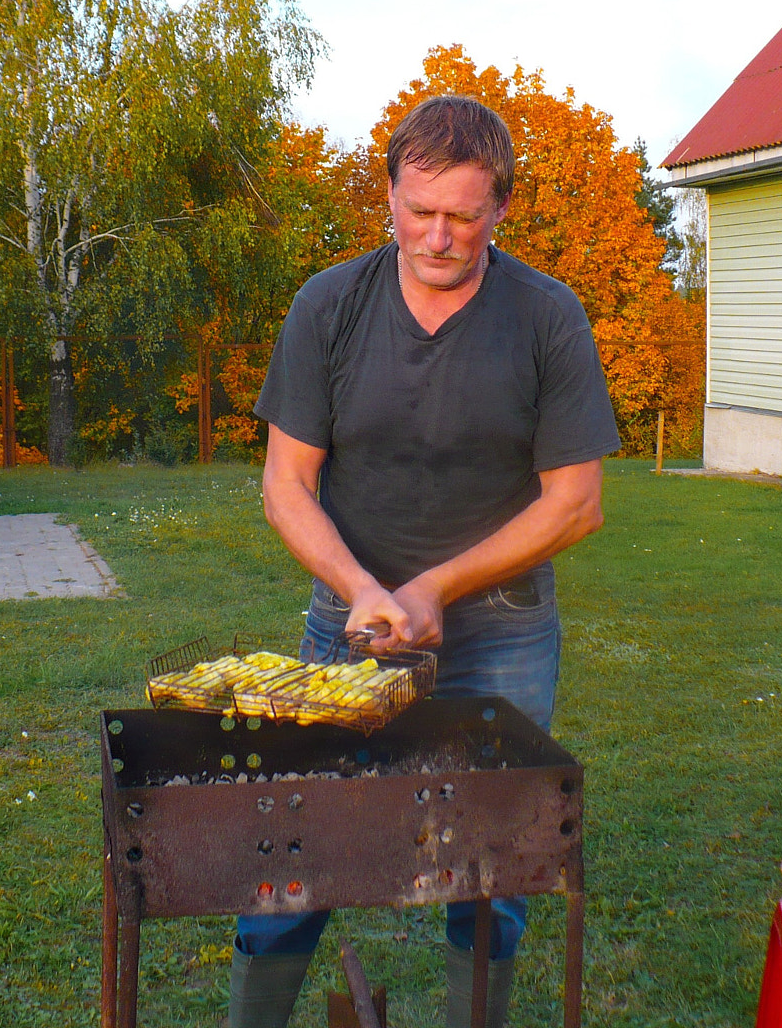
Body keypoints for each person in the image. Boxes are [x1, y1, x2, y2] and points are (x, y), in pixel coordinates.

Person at [233, 94, 620, 1028]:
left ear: (503, 210)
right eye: (419, 210)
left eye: (463, 215)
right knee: (297, 846)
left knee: (494, 864)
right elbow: (287, 482)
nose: (437, 236)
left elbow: (577, 502)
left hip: (503, 635)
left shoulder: (545, 316)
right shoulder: (329, 304)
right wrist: (366, 591)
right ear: (390, 196)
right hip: (348, 623)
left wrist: (438, 587)